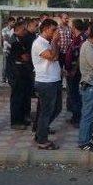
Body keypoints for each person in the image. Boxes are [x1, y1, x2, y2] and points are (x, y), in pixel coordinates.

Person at [31, 19, 61, 150]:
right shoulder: (39, 43)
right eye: (53, 30)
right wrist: (55, 41)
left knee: (57, 108)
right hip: (45, 82)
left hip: (54, 80)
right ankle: (42, 139)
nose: (56, 33)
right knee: (46, 112)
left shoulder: (48, 42)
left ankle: (40, 132)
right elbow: (52, 57)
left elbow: (57, 57)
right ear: (45, 29)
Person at [7, 21, 33, 130]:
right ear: (17, 30)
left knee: (25, 97)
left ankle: (23, 118)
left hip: (23, 72)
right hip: (16, 73)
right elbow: (25, 57)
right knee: (17, 98)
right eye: (23, 29)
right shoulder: (14, 40)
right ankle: (16, 121)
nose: (25, 31)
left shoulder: (22, 39)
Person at [64, 20, 87, 128]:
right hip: (72, 70)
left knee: (74, 94)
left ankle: (77, 118)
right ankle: (75, 117)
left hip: (75, 71)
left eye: (72, 26)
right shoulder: (77, 38)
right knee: (73, 94)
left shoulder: (81, 39)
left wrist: (74, 69)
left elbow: (80, 56)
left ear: (74, 27)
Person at [1, 17, 16, 84]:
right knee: (5, 65)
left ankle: (10, 78)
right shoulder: (4, 30)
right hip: (6, 49)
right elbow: (5, 38)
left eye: (14, 22)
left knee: (11, 65)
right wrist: (11, 40)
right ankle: (3, 79)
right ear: (9, 22)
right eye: (13, 22)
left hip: (13, 49)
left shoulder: (14, 30)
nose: (14, 23)